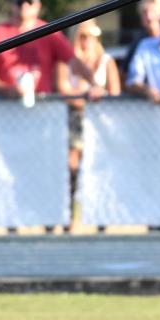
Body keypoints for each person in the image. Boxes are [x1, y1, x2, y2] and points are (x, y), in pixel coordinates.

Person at [57, 20, 121, 194]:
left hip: (101, 119)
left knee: (101, 163)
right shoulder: (68, 61)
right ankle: (70, 211)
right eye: (82, 36)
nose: (87, 40)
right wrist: (85, 97)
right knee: (72, 164)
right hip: (74, 117)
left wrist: (94, 95)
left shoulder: (106, 60)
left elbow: (114, 93)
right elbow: (63, 89)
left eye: (92, 36)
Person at [0, 0, 73, 99]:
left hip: (41, 107)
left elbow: (74, 61)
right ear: (12, 5)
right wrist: (7, 90)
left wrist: (94, 84)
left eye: (29, 2)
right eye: (20, 2)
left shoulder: (50, 32)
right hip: (2, 108)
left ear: (38, 6)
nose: (24, 5)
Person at [124, 0, 160, 70]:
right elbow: (125, 73)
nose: (149, 17)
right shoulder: (137, 44)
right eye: (145, 12)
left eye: (154, 11)